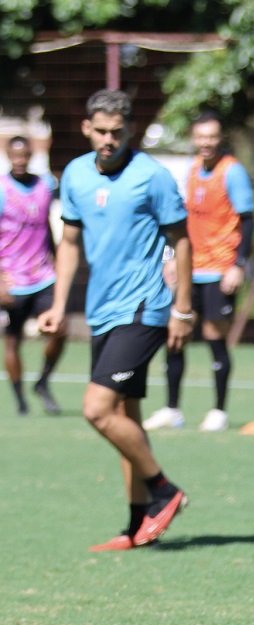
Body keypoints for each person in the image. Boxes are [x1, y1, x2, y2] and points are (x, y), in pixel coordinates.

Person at [38, 89, 192, 552]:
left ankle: (164, 491)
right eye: (101, 131)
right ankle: (135, 528)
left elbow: (181, 241)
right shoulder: (76, 176)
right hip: (102, 310)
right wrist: (59, 306)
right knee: (126, 416)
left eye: (117, 133)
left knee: (96, 409)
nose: (109, 140)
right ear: (87, 128)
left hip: (145, 307)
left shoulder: (153, 177)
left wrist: (183, 307)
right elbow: (68, 243)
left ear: (131, 131)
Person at [143, 110, 254, 433]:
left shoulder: (232, 172)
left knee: (214, 338)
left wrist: (239, 264)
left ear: (220, 138)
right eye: (201, 136)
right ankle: (171, 409)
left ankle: (218, 411)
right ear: (194, 138)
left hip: (220, 270)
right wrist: (169, 258)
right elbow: (181, 224)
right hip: (190, 269)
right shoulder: (191, 171)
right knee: (175, 335)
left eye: (212, 136)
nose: (206, 142)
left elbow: (248, 221)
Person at [1, 135, 66, 415]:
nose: (20, 160)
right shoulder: (2, 188)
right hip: (12, 279)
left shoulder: (44, 186)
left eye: (24, 155)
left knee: (58, 330)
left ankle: (42, 381)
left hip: (43, 275)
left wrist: (58, 260)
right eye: (14, 155)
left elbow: (46, 228)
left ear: (30, 156)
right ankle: (20, 402)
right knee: (13, 340)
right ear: (7, 155)